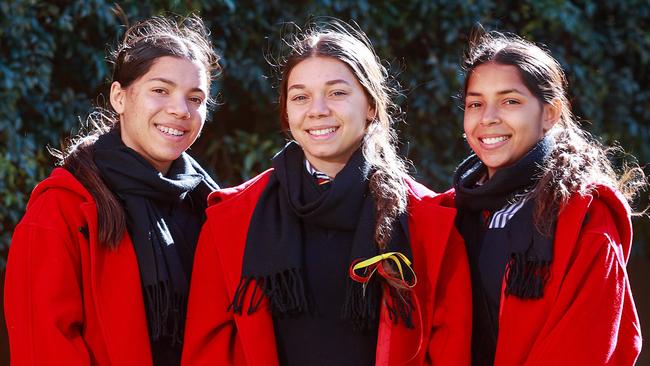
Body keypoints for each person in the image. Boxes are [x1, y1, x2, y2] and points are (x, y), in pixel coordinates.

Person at [182, 20, 471, 365]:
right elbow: (209, 349)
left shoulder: (426, 220)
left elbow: (449, 349)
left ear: (371, 106)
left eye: (337, 93)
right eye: (301, 96)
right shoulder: (233, 218)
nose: (317, 110)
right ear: (287, 113)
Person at [4, 15, 220, 365]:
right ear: (119, 97)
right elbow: (43, 347)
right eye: (160, 90)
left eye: (195, 98)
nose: (180, 110)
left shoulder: (211, 207)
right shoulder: (62, 209)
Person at [453, 30, 645, 365]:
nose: (488, 117)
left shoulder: (585, 215)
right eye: (475, 103)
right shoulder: (448, 213)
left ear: (550, 113)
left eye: (510, 101)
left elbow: (587, 346)